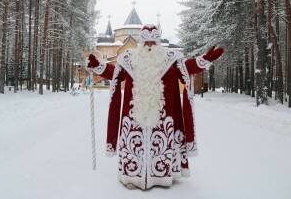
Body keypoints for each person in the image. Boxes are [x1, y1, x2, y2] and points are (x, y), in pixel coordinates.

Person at [87, 24, 224, 190]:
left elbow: (188, 68)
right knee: (133, 145)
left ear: (158, 42)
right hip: (133, 116)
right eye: (146, 43)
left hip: (163, 117)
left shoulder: (171, 59)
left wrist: (205, 59)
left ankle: (161, 177)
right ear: (141, 43)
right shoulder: (129, 59)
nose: (150, 46)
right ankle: (132, 176)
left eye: (153, 42)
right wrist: (97, 66)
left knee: (161, 145)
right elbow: (115, 73)